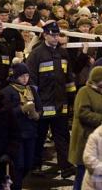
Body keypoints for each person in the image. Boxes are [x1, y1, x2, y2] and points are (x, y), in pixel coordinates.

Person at [25, 21, 76, 178]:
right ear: (45, 35)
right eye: (53, 35)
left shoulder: (63, 53)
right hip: (44, 105)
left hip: (61, 103)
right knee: (39, 137)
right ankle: (35, 166)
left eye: (57, 35)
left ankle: (66, 166)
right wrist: (36, 104)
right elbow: (31, 82)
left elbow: (69, 79)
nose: (55, 38)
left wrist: (71, 99)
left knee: (62, 136)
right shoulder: (36, 54)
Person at [69, 66, 102, 190]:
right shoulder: (84, 92)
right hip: (85, 140)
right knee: (81, 175)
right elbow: (83, 114)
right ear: (99, 79)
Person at [1, 63, 41, 190]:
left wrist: (37, 114)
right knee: (19, 165)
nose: (25, 79)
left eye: (27, 75)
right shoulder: (7, 91)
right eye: (22, 76)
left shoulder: (32, 90)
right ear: (15, 76)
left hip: (30, 133)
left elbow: (40, 107)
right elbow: (4, 113)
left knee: (28, 165)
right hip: (16, 135)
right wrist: (21, 109)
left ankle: (14, 183)